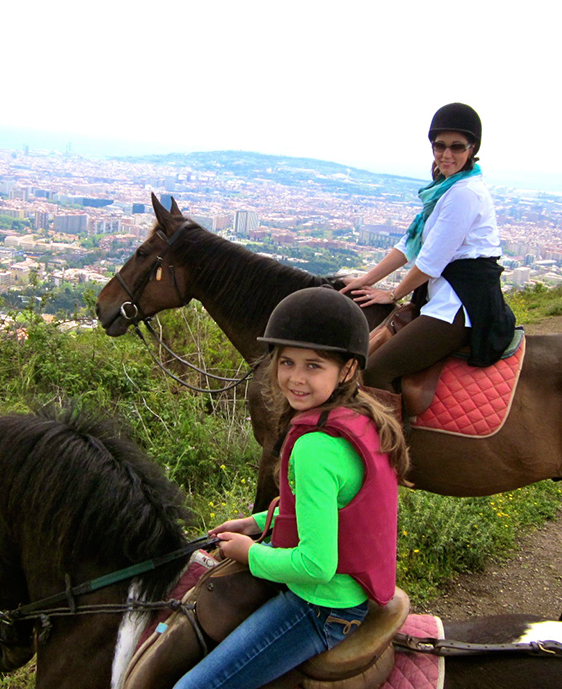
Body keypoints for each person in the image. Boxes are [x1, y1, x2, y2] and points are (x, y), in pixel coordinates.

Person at [173, 287, 410, 689]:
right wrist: (257, 522)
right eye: (287, 362)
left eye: (313, 366)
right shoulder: (360, 417)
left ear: (347, 370)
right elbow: (333, 507)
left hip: (322, 606)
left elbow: (316, 566)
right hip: (345, 591)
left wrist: (250, 554)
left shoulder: (315, 446)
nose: (296, 378)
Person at [341, 102, 516, 391]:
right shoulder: (445, 189)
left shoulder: (464, 194)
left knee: (375, 371)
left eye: (457, 147)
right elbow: (409, 245)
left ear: (472, 148)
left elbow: (429, 262)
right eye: (440, 146)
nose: (447, 154)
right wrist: (366, 280)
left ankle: (393, 425)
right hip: (440, 294)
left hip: (460, 304)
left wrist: (393, 294)